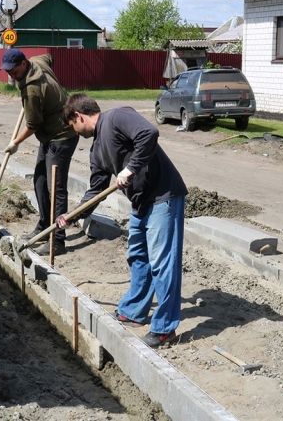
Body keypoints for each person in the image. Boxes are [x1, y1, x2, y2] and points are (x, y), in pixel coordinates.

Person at [58, 93, 188, 348]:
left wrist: (130, 168)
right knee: (138, 256)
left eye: (71, 125)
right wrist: (73, 214)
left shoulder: (117, 117)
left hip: (163, 196)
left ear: (78, 116)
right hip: (141, 203)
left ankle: (164, 329)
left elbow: (148, 134)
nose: (74, 132)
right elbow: (95, 190)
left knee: (162, 264)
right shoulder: (96, 150)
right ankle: (134, 311)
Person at [0, 48, 78, 256]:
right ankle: (45, 225)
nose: (11, 75)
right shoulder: (38, 61)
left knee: (56, 189)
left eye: (14, 71)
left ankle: (58, 241)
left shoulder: (32, 89)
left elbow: (33, 124)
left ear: (24, 64)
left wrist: (15, 142)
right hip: (49, 136)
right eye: (7, 71)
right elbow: (49, 56)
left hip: (62, 136)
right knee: (40, 181)